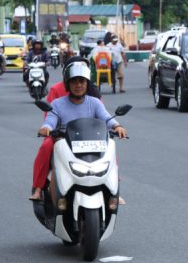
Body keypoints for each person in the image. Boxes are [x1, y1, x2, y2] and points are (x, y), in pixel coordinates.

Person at [29, 59, 127, 200]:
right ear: (68, 84)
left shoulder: (94, 102)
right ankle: (38, 188)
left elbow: (106, 118)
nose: (78, 85)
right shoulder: (57, 104)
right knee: (46, 146)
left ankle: (114, 190)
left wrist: (117, 126)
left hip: (90, 140)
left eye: (82, 81)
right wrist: (46, 128)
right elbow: (50, 120)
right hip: (63, 139)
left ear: (87, 84)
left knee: (110, 146)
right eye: (74, 82)